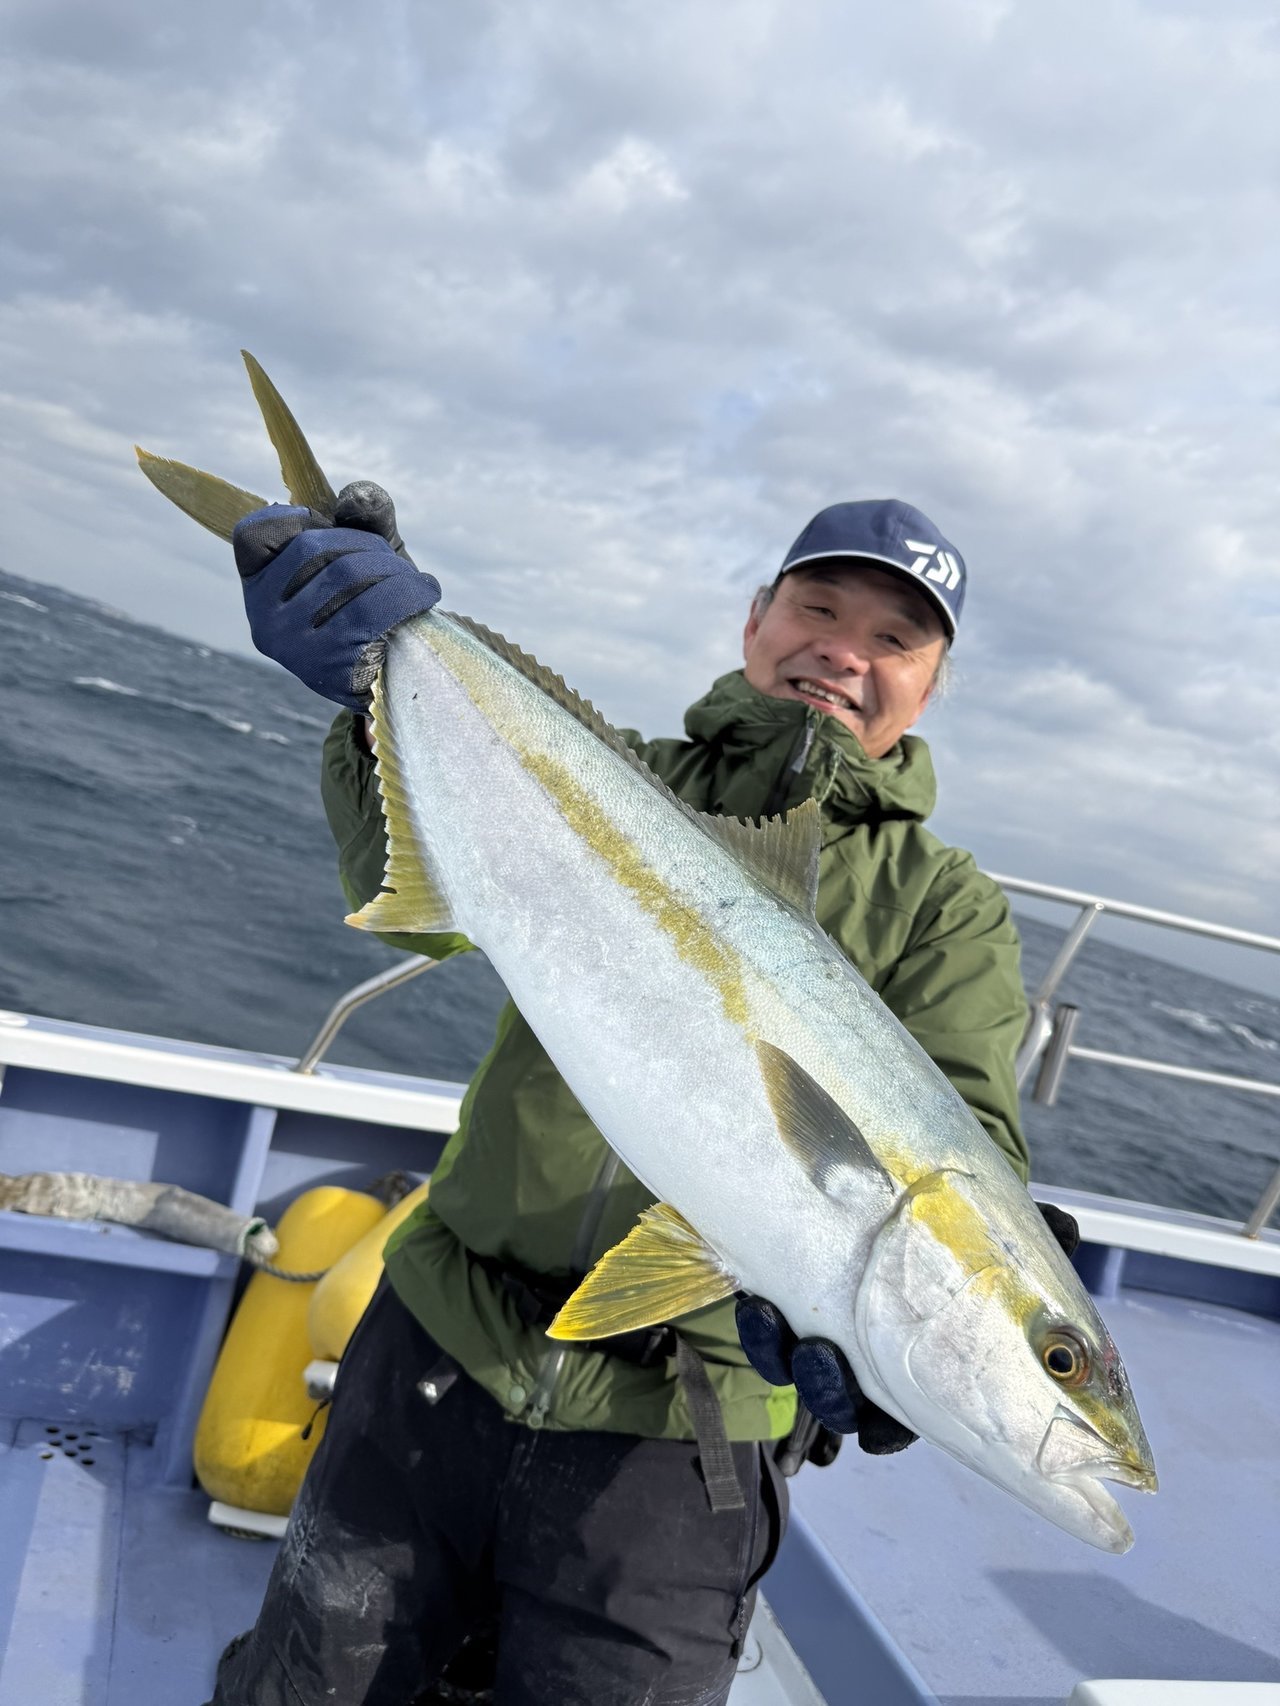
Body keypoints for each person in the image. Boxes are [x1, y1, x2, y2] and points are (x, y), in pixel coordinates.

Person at [208, 492, 1076, 1706]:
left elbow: (963, 1131)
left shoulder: (943, 906)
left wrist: (925, 1312)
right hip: (439, 1341)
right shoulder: (622, 775)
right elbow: (414, 893)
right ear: (755, 621)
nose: (843, 650)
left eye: (892, 638)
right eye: (817, 609)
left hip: (686, 1434)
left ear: (927, 688)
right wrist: (375, 693)